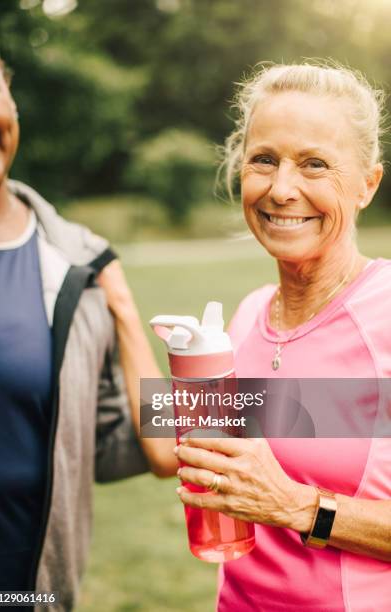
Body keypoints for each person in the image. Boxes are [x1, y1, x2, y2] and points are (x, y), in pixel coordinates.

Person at [167, 63, 391, 611]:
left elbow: (279, 497)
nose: (282, 188)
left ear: (367, 183)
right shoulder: (243, 318)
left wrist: (297, 506)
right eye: (264, 160)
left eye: (315, 164)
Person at [0, 37, 177, 611]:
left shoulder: (80, 263)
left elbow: (115, 442)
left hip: (25, 595)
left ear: (12, 104)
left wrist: (258, 402)